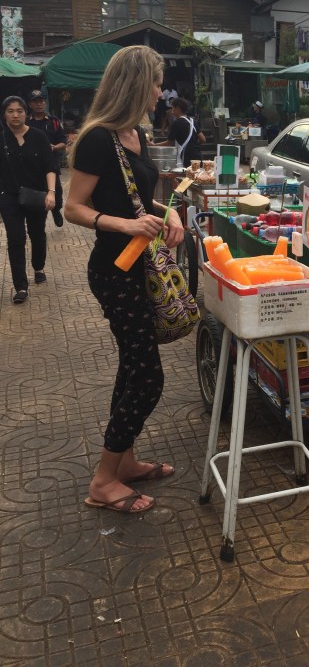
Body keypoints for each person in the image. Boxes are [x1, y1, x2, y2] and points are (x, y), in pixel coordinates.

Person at [64, 45, 185, 514]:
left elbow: (136, 197)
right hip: (114, 272)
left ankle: (126, 461)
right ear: (136, 84)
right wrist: (126, 225)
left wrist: (168, 212)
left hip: (141, 268)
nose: (160, 92)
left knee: (133, 367)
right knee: (147, 376)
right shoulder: (97, 138)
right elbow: (75, 208)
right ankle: (102, 481)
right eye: (156, 83)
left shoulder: (137, 134)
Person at [0, 95, 57, 303]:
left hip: (36, 195)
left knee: (37, 234)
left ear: (26, 113)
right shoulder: (2, 139)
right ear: (4, 114)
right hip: (9, 196)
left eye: (19, 111)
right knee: (16, 238)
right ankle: (21, 287)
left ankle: (38, 267)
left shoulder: (39, 136)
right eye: (10, 111)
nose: (15, 115)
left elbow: (50, 166)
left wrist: (51, 192)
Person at [26, 89, 68, 227]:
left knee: (57, 191)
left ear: (45, 103)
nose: (39, 104)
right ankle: (39, 221)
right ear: (30, 104)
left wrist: (54, 147)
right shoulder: (25, 122)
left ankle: (56, 210)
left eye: (41, 101)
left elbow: (63, 141)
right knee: (36, 192)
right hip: (32, 165)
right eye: (35, 102)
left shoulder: (54, 121)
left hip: (51, 163)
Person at [153, 97, 206, 167]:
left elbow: (169, 143)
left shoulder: (176, 123)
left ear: (177, 108)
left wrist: (153, 145)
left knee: (188, 174)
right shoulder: (193, 121)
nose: (172, 110)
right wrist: (193, 144)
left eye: (172, 108)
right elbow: (203, 139)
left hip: (187, 158)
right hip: (198, 156)